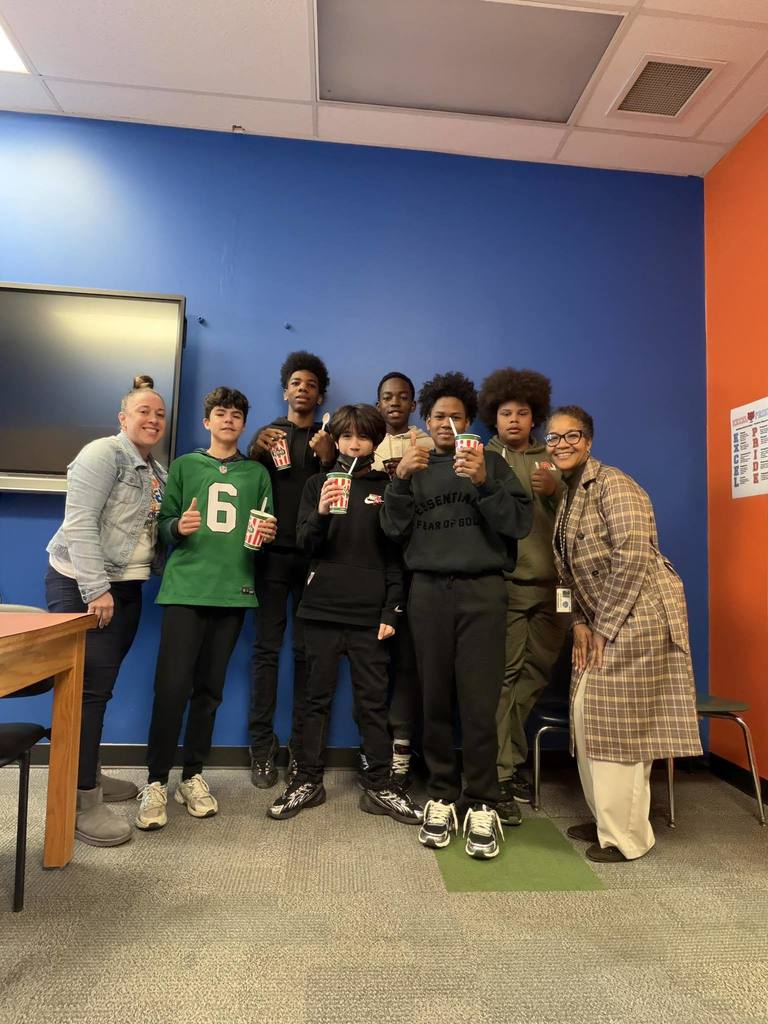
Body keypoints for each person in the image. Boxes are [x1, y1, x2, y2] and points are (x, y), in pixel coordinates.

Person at [381, 372, 532, 859]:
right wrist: (401, 478)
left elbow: (520, 523)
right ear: (426, 421)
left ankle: (482, 800)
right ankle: (443, 794)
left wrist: (486, 483)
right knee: (436, 697)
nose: (447, 423)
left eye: (457, 417)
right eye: (439, 416)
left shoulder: (491, 463)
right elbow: (391, 529)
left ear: (470, 423)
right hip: (427, 590)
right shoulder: (414, 465)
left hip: (483, 591)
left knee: (480, 700)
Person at [546, 405, 702, 863]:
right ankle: (606, 822)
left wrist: (604, 627)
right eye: (553, 438)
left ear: (589, 440)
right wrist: (576, 623)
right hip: (598, 622)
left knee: (621, 729)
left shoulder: (614, 483)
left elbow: (633, 555)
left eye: (571, 436)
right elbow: (563, 576)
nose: (562, 445)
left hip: (638, 618)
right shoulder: (566, 496)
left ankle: (628, 837)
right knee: (587, 716)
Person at [268, 404, 423, 825]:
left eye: (364, 437)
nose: (355, 443)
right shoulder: (318, 482)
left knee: (372, 703)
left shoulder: (388, 486)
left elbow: (396, 556)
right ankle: (307, 778)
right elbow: (304, 544)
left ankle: (378, 784)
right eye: (348, 436)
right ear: (336, 440)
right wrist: (319, 511)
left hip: (370, 614)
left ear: (374, 442)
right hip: (320, 607)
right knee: (313, 699)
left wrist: (392, 609)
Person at [135, 387, 274, 831]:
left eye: (237, 414)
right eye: (220, 413)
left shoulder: (257, 473)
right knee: (171, 687)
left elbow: (264, 524)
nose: (229, 420)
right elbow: (162, 525)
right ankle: (156, 779)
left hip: (232, 591)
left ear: (244, 423)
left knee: (209, 691)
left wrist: (268, 535)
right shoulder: (184, 466)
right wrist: (178, 525)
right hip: (185, 589)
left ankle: (192, 775)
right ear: (206, 421)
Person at [45, 375, 167, 847]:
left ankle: (88, 771)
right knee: (87, 693)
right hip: (84, 585)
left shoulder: (158, 471)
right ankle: (81, 800)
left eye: (159, 414)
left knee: (100, 688)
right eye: (144, 411)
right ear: (123, 418)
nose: (153, 419)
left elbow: (152, 531)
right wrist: (96, 589)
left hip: (127, 587)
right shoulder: (102, 454)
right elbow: (79, 524)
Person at [478, 368, 567, 825]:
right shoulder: (482, 457)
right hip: (509, 584)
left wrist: (556, 492)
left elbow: (580, 517)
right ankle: (500, 771)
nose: (514, 420)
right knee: (505, 677)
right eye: (505, 412)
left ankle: (506, 761)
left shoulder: (554, 459)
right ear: (492, 416)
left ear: (536, 416)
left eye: (523, 412)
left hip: (556, 589)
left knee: (536, 676)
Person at [246, 352, 336, 788]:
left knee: (307, 653)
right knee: (266, 651)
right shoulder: (266, 437)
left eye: (311, 384)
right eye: (296, 382)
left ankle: (303, 751)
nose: (303, 388)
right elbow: (250, 485)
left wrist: (328, 457)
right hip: (270, 556)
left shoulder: (332, 438)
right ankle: (261, 748)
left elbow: (338, 497)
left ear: (321, 395)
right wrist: (252, 451)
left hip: (315, 558)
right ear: (286, 391)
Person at [373, 371, 435, 786]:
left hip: (418, 565)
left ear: (413, 405)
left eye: (402, 397)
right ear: (378, 403)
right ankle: (378, 751)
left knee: (417, 664)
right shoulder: (364, 440)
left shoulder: (430, 444)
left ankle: (414, 751)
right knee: (376, 664)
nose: (394, 403)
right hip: (375, 563)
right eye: (387, 397)